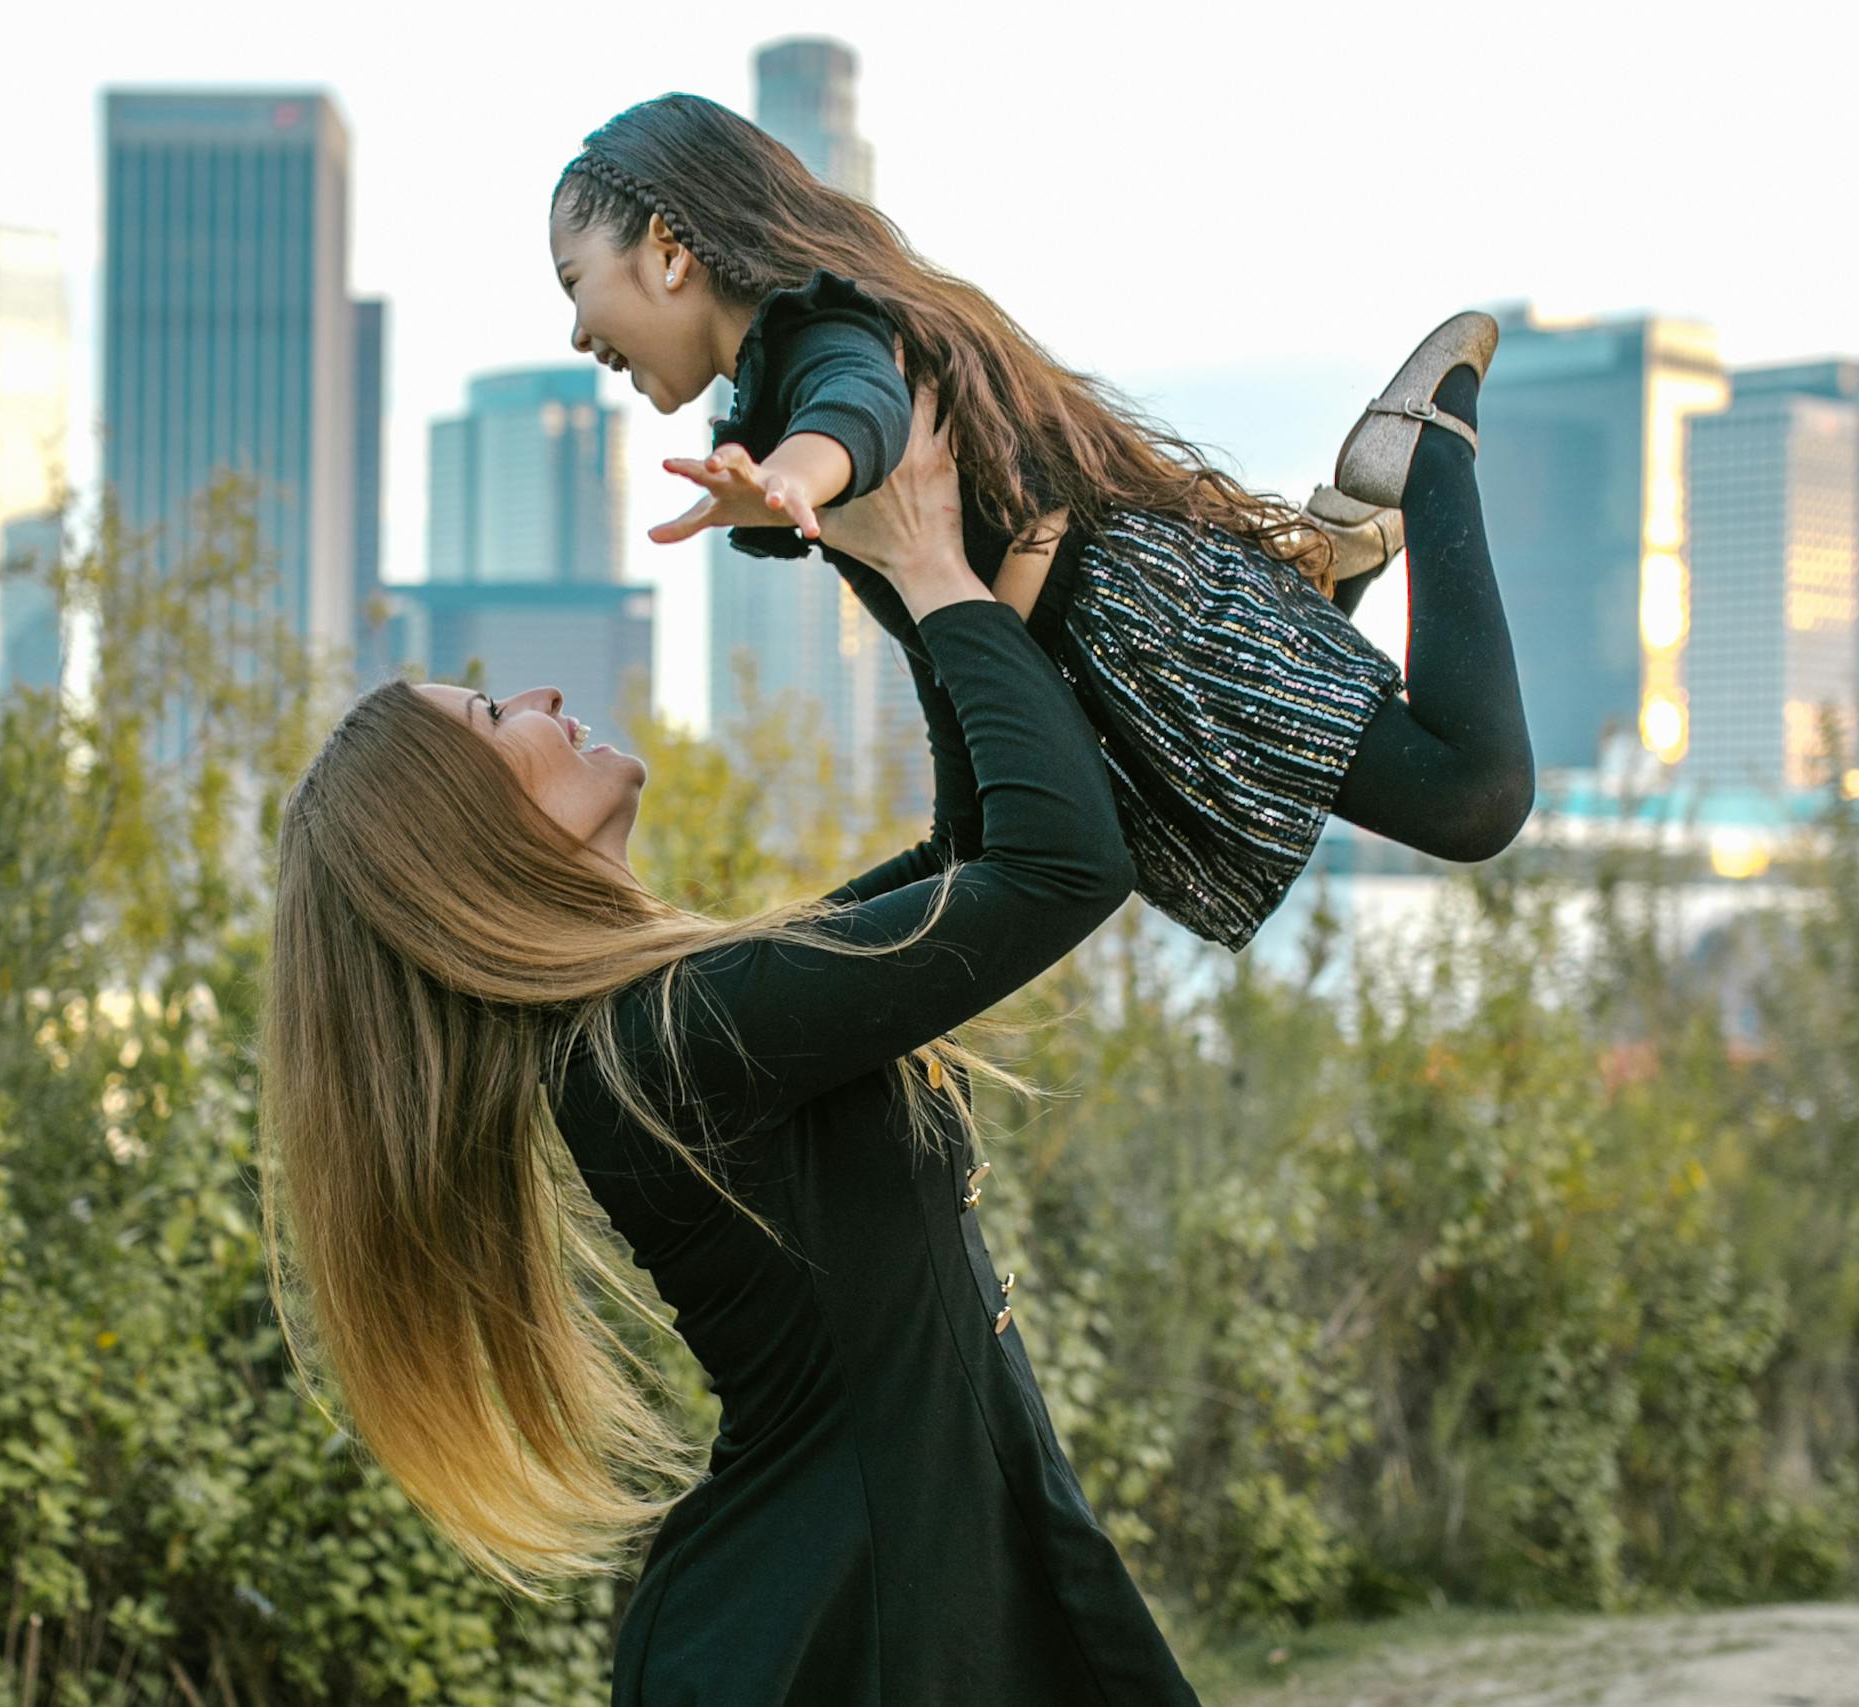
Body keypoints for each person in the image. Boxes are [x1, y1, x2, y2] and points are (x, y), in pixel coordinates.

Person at [260, 390, 1205, 1703]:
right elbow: (1057, 866)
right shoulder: (673, 1036)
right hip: (844, 1626)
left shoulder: (670, 1017)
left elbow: (969, 858)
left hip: (904, 1580)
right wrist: (929, 569)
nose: (537, 692)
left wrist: (903, 564)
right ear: (463, 840)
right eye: (491, 714)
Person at [550, 93, 1534, 950]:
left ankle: (1429, 452)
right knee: (964, 866)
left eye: (572, 280)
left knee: (1470, 797)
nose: (576, 331)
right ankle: (1310, 584)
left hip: (1124, 614)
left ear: (669, 252)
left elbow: (859, 412)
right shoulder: (776, 378)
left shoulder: (818, 329)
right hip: (1055, 635)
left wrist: (795, 478)